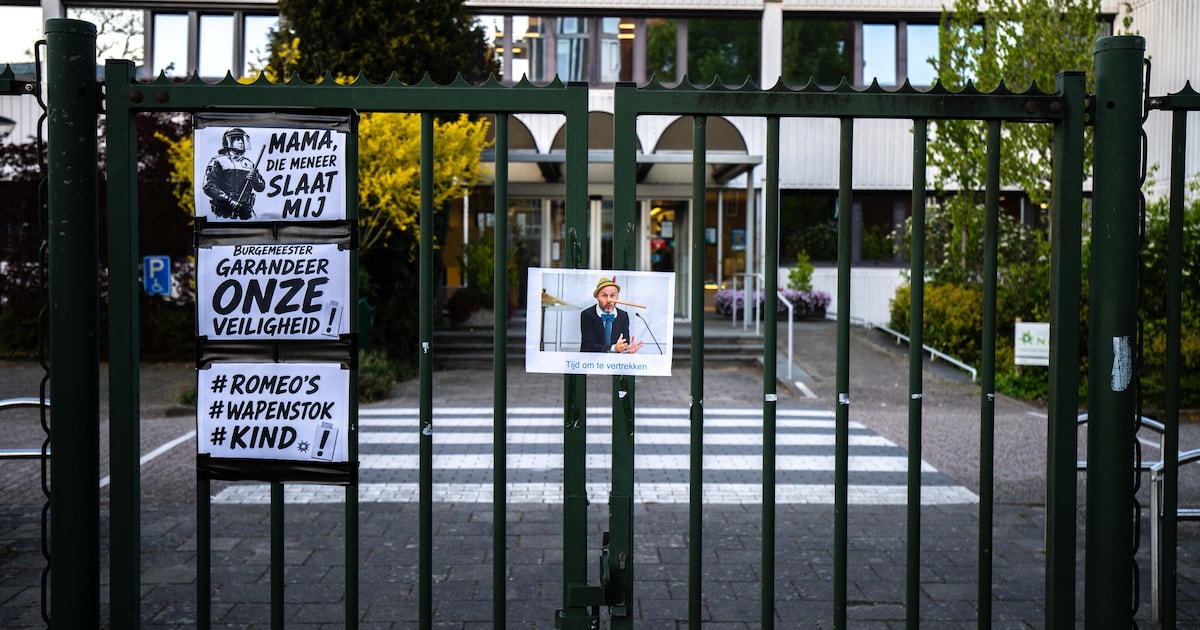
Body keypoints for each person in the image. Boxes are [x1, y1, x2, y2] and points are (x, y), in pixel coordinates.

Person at [202, 128, 265, 220]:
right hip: (224, 210)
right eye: (237, 139)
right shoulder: (219, 161)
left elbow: (261, 187)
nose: (241, 142)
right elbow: (208, 186)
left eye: (242, 139)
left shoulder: (249, 164)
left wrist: (255, 180)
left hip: (245, 211)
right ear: (228, 141)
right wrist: (228, 200)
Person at [580, 276, 643, 354]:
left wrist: (628, 350)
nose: (609, 300)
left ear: (617, 297)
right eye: (604, 296)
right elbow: (588, 347)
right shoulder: (587, 315)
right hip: (592, 360)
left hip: (615, 361)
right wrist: (614, 348)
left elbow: (624, 343)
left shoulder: (623, 316)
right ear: (597, 297)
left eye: (612, 295)